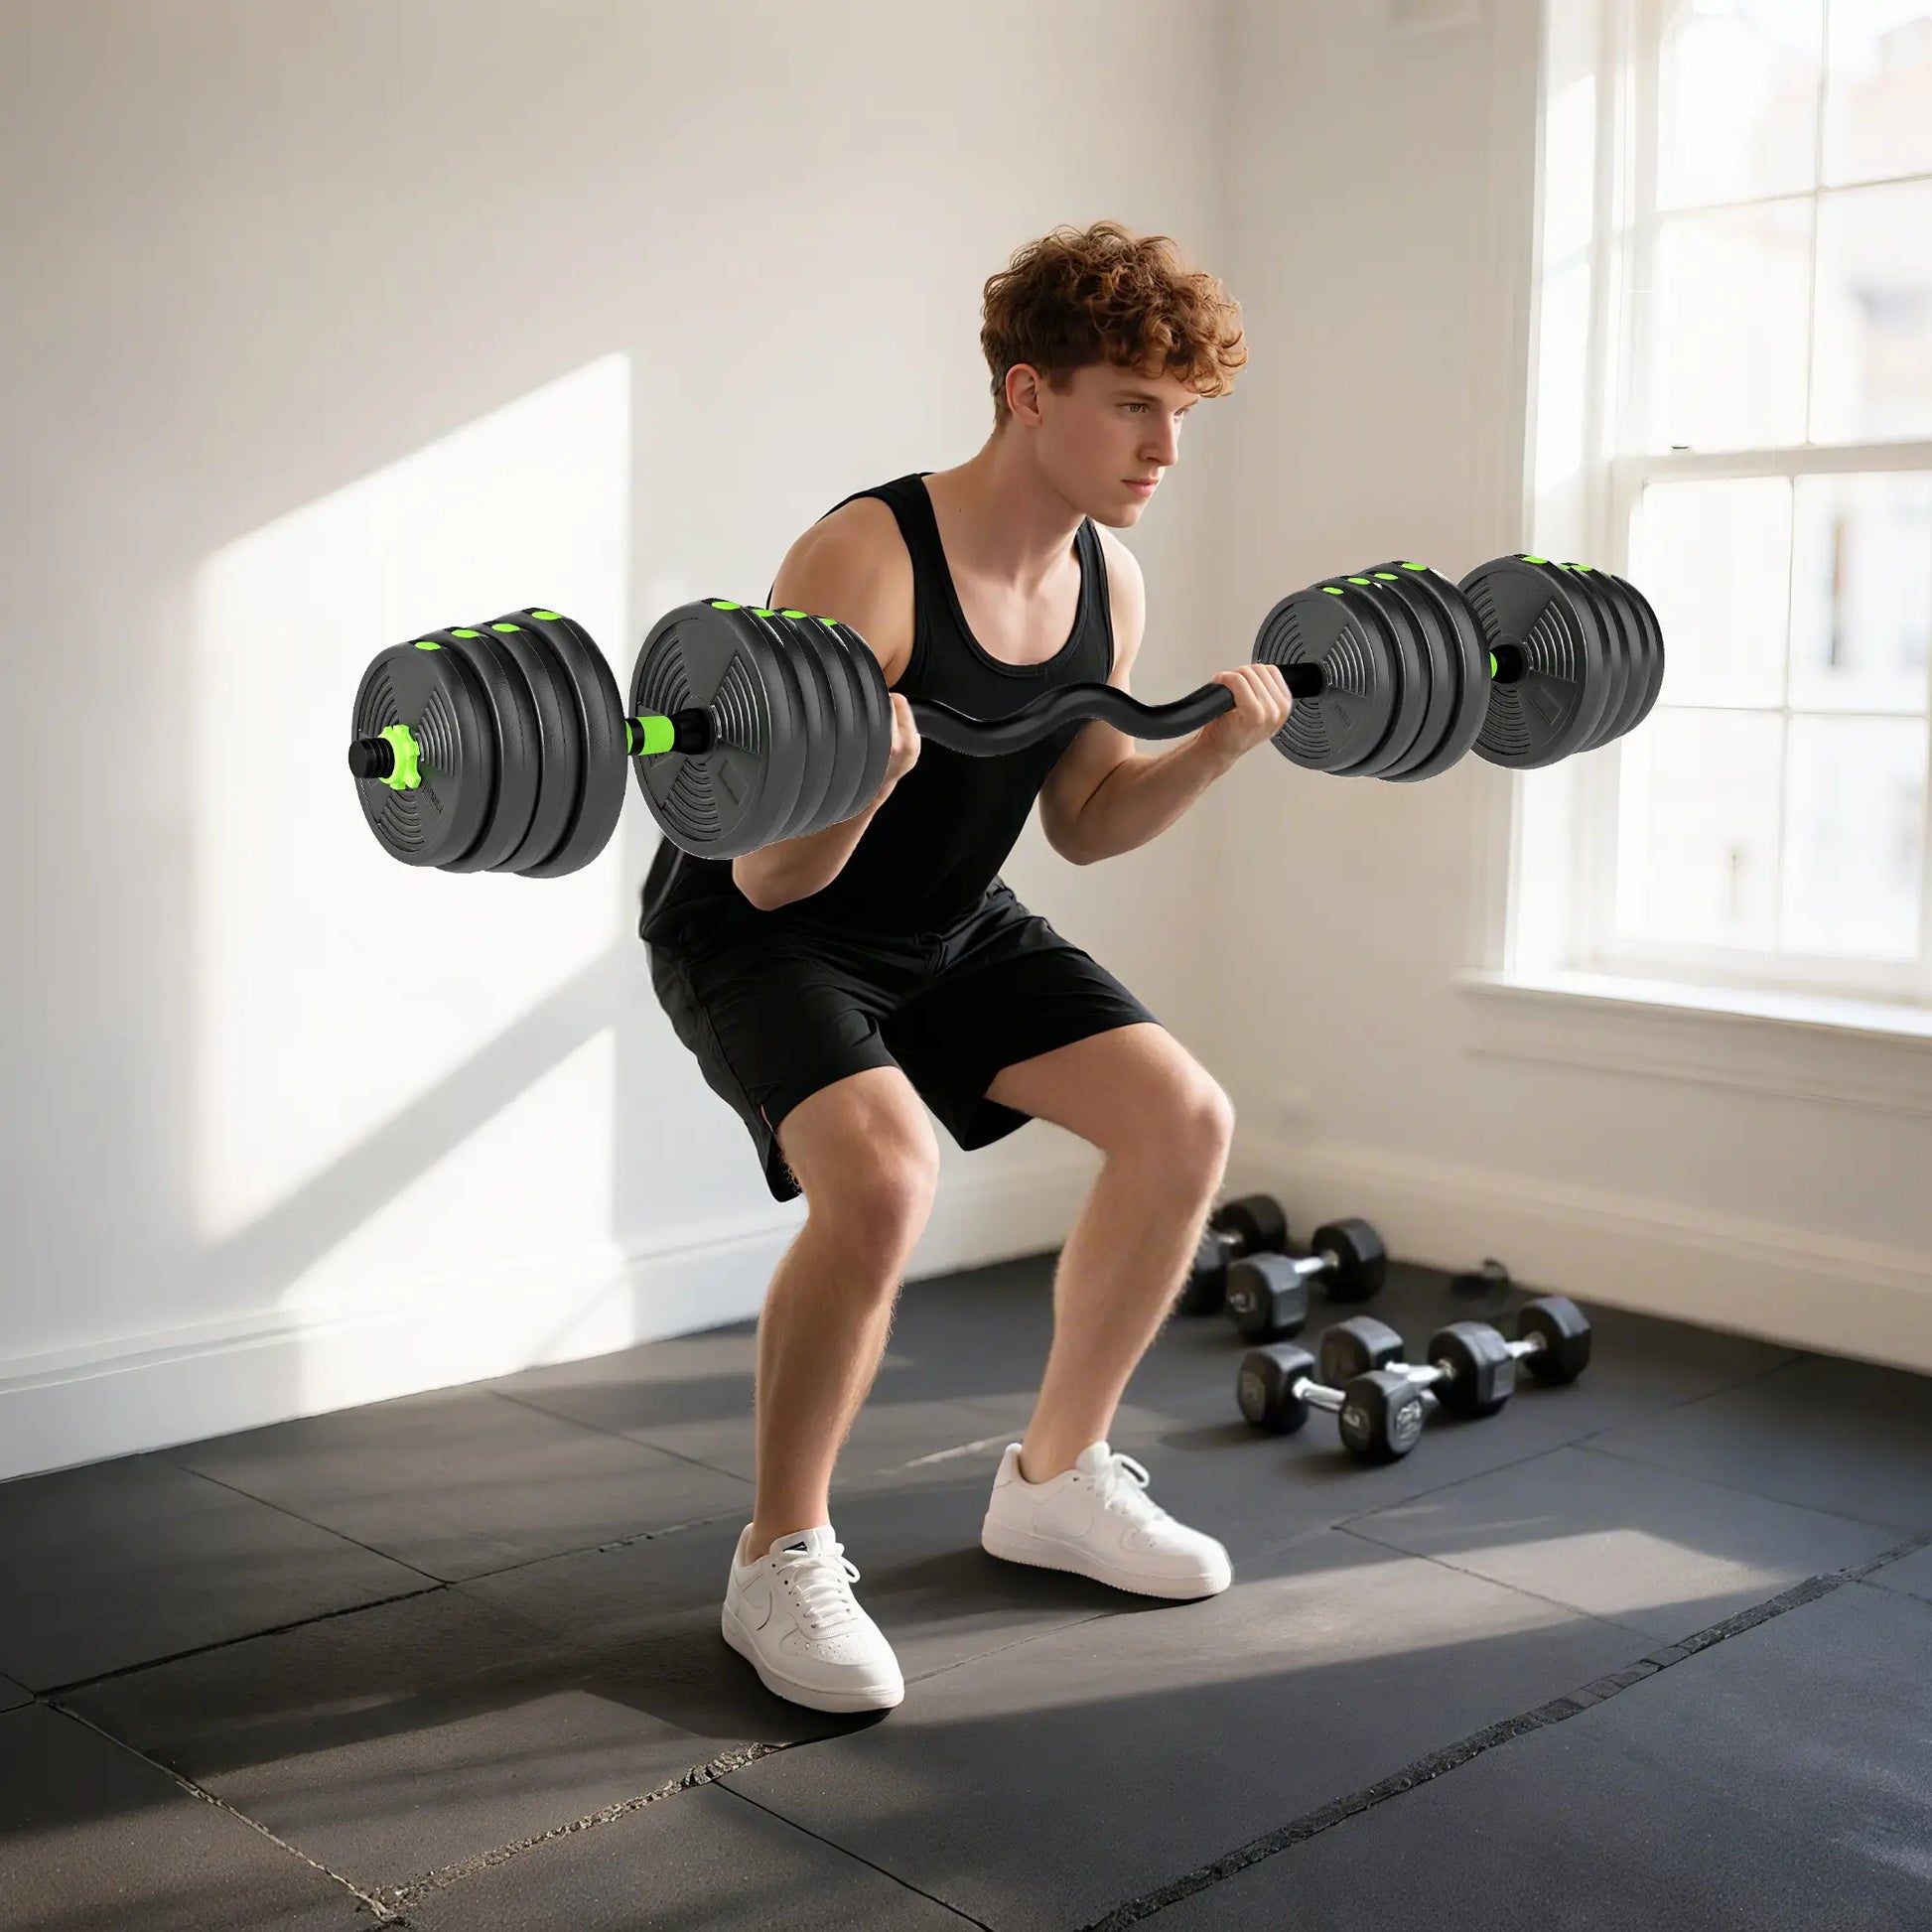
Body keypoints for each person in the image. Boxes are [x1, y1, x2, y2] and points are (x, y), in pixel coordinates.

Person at [639, 219, 1292, 1714]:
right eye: (1134, 402)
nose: (1163, 449)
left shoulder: (1105, 582)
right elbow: (767, 867)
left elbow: (1082, 823)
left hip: (945, 917)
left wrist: (1212, 751)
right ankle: (778, 1553)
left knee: (1179, 1118)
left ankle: (1054, 1481)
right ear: (1026, 393)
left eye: (1179, 413)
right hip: (766, 919)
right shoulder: (862, 557)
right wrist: (860, 779)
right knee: (881, 1177)